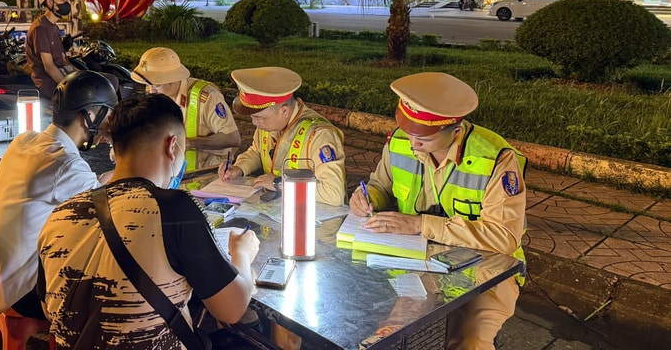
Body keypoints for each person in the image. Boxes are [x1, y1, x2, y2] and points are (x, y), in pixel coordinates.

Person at [38, 93, 259, 349]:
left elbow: (48, 307)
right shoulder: (174, 208)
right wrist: (241, 253)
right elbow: (231, 310)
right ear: (172, 146)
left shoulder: (62, 212)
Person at [348, 72, 527, 350]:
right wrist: (366, 196)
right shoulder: (400, 141)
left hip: (485, 270)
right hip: (417, 262)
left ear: (455, 130)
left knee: (470, 341)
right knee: (394, 331)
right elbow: (380, 185)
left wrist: (420, 225)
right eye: (409, 132)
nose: (413, 144)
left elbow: (504, 238)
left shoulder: (496, 160)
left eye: (424, 138)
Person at [0, 71, 118, 319]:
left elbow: (86, 186)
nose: (110, 124)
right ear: (90, 116)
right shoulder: (65, 164)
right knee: (116, 284)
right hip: (24, 291)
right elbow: (113, 209)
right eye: (108, 114)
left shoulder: (27, 140)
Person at [218, 67, 346, 206]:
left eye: (259, 118)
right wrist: (239, 168)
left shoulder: (319, 135)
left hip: (312, 218)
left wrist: (279, 184)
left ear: (284, 111)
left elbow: (334, 193)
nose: (255, 123)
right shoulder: (269, 125)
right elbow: (257, 152)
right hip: (277, 211)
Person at [131, 47, 240, 170]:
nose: (151, 91)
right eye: (147, 84)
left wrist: (189, 143)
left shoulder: (206, 96)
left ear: (173, 79)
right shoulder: (154, 94)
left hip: (208, 173)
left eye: (156, 85)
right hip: (171, 171)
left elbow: (233, 138)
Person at [26, 0, 74, 101]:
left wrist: (83, 75)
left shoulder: (53, 27)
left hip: (59, 77)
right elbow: (49, 67)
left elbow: (64, 60)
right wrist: (69, 87)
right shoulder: (40, 28)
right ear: (50, 3)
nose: (66, 3)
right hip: (48, 84)